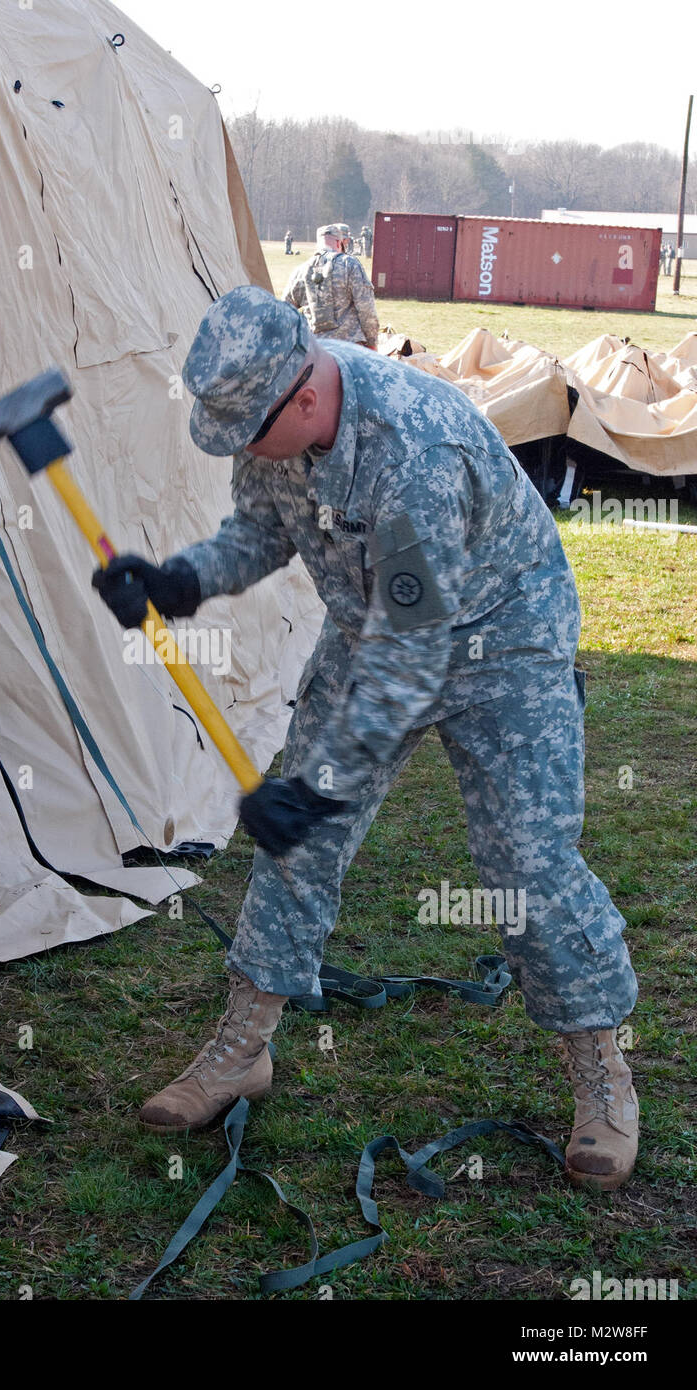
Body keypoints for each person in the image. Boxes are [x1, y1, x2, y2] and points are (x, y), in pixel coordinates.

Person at [92, 286, 640, 1193]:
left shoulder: (412, 454)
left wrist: (314, 785)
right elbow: (260, 532)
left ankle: (602, 1072)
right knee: (299, 843)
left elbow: (409, 668)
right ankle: (242, 1051)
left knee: (525, 865)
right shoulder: (277, 415)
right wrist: (178, 580)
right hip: (375, 633)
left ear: (305, 399)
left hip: (503, 639)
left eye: (245, 432)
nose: (237, 450)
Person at [282, 224, 379, 348]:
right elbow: (367, 309)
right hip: (350, 349)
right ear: (339, 243)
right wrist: (372, 343)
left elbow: (284, 312)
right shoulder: (350, 265)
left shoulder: (300, 271)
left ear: (318, 244)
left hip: (315, 350)